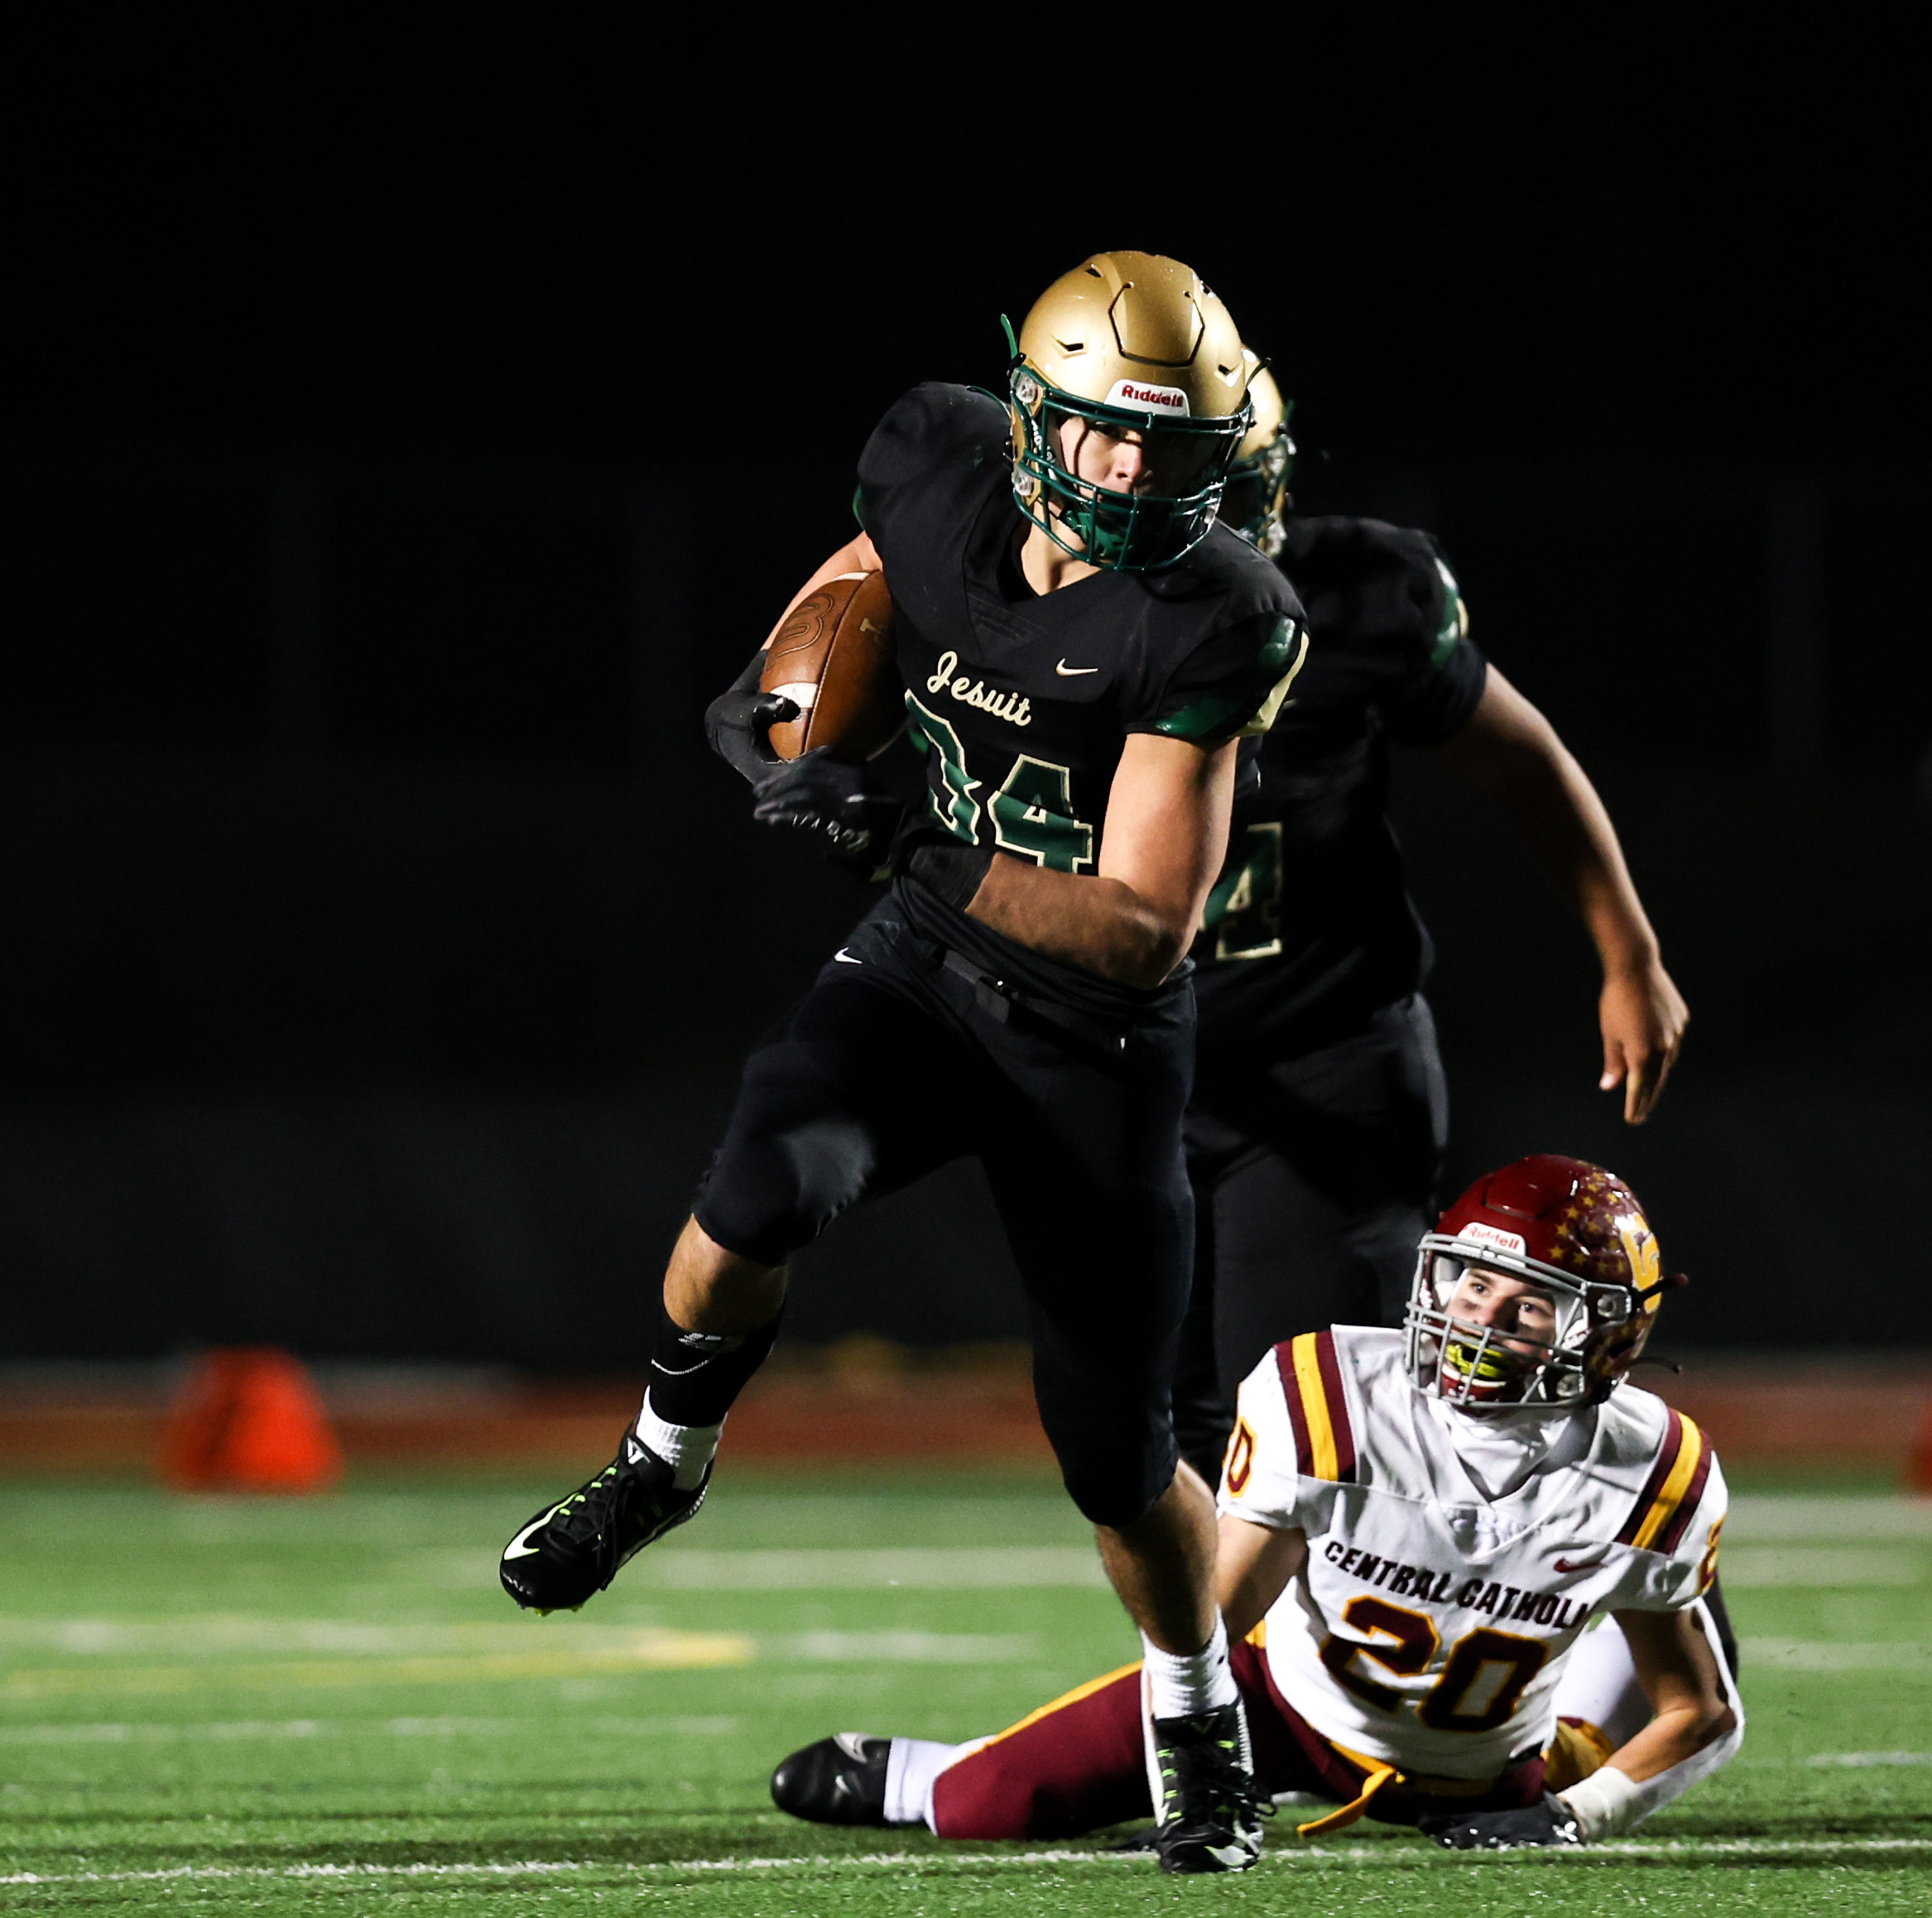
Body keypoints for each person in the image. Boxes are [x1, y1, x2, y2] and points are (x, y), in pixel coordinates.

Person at [498, 252, 1309, 1873]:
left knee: (1115, 1442)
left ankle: (1194, 1705)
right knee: (758, 1186)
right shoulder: (939, 456)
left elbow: (1147, 924)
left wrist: (895, 843)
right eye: (1105, 437)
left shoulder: (1217, 614)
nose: (1136, 473)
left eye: (1172, 449)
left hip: (1095, 1035)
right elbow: (878, 566)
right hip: (926, 975)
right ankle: (661, 1469)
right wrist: (779, 684)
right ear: (1033, 417)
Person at [769, 1154, 1741, 1856]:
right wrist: (1198, 1771)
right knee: (983, 1801)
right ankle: (922, 1773)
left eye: (1528, 1304)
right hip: (1283, 1706)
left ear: (1610, 1338)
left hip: (1503, 1763)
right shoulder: (1336, 1391)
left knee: (1645, 1643)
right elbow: (1210, 1627)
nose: (1480, 1318)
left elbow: (1699, 1712)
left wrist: (1578, 1813)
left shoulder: (1655, 1471)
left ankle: (1653, 1608)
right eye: (1471, 1280)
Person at [1174, 357, 1691, 1486]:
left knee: (1315, 1423)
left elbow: (1523, 763)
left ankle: (1370, 1653)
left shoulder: (1353, 602)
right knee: (1151, 1439)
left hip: (1321, 1048)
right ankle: (1209, 1668)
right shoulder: (1023, 605)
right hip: (1119, 1064)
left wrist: (1627, 951)